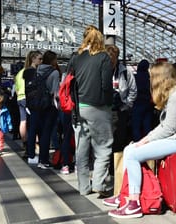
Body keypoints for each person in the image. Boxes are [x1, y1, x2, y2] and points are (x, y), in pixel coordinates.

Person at [104, 62, 176, 219]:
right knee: (129, 149)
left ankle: (133, 204)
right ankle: (125, 195)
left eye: (152, 76)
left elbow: (168, 129)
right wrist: (145, 140)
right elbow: (167, 127)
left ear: (160, 78)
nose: (150, 79)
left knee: (133, 154)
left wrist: (146, 140)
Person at [67, 25, 113, 198]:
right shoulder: (103, 57)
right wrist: (110, 102)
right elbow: (106, 85)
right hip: (98, 107)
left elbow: (69, 83)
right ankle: (100, 183)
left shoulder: (75, 58)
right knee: (103, 147)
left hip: (78, 109)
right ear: (99, 40)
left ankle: (84, 187)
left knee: (82, 149)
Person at [105, 45, 137, 174]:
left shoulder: (124, 72)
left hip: (120, 111)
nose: (111, 62)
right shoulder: (100, 71)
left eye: (113, 59)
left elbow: (133, 90)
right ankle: (104, 168)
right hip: (104, 111)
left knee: (118, 140)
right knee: (105, 141)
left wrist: (127, 105)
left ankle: (115, 168)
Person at [31, 50, 60, 169]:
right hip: (49, 106)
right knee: (47, 133)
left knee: (40, 132)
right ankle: (44, 160)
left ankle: (38, 158)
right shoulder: (54, 73)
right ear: (52, 60)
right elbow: (55, 92)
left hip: (37, 105)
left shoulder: (37, 70)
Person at [15, 50, 43, 156]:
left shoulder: (19, 73)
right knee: (32, 122)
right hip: (29, 98)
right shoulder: (33, 72)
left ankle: (25, 143)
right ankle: (34, 144)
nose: (41, 61)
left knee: (23, 121)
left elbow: (16, 89)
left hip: (20, 98)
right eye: (40, 59)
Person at [131, 59, 154, 142]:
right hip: (148, 103)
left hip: (137, 102)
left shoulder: (134, 77)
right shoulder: (150, 78)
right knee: (147, 124)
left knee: (136, 125)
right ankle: (148, 141)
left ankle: (137, 141)